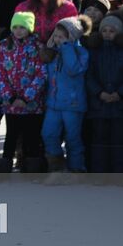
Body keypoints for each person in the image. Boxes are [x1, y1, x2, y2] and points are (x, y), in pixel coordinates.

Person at [85, 14, 123, 177]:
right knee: (99, 140)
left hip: (120, 105)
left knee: (120, 141)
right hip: (98, 104)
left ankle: (120, 174)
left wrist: (120, 93)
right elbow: (89, 75)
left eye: (111, 31)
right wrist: (99, 93)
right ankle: (99, 173)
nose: (107, 33)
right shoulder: (93, 52)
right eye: (104, 30)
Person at [42, 16, 91, 179]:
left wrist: (66, 47)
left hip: (73, 104)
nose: (57, 39)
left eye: (62, 37)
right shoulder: (53, 55)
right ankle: (56, 167)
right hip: (53, 103)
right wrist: (50, 49)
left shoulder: (81, 53)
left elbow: (73, 69)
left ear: (72, 37)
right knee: (48, 133)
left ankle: (76, 168)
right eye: (55, 36)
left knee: (73, 138)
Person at [0, 12, 47, 173]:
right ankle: (5, 166)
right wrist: (9, 96)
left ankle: (31, 167)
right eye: (16, 27)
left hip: (32, 104)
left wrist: (26, 97)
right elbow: (0, 72)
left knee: (31, 136)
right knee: (11, 135)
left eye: (23, 27)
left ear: (30, 29)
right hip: (11, 104)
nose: (18, 31)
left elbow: (42, 73)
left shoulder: (38, 46)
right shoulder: (5, 45)